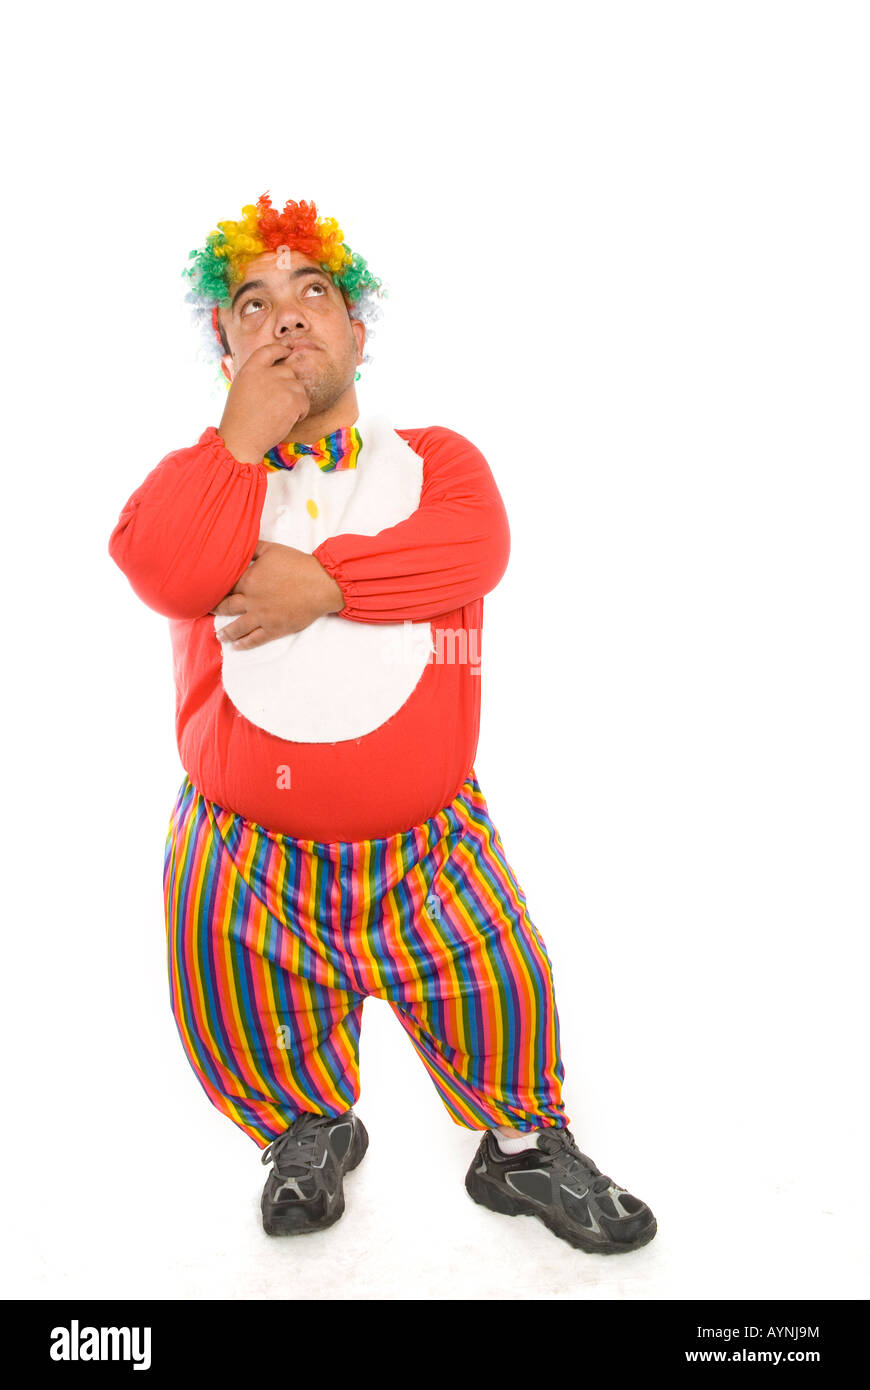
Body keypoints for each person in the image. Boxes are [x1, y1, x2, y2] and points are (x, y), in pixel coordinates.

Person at [108, 192, 657, 1254]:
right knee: (246, 997)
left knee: (495, 979)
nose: (288, 316)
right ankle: (308, 1130)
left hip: (431, 839)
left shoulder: (436, 462)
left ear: (360, 331)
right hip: (245, 847)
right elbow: (163, 565)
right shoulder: (203, 485)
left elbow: (473, 545)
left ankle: (524, 1147)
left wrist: (322, 584)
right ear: (224, 348)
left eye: (314, 292)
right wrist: (238, 443)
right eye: (253, 304)